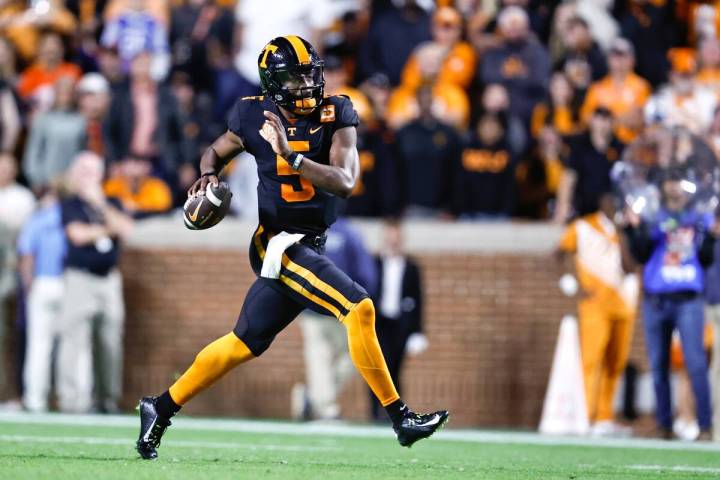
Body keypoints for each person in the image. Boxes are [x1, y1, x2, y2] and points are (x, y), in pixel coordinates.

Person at [136, 36, 448, 460]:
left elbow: (345, 181)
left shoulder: (338, 111)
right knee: (359, 308)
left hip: (308, 244)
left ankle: (160, 406)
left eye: (309, 73)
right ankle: (400, 419)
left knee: (242, 343)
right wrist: (208, 174)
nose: (305, 84)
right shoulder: (251, 113)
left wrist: (292, 156)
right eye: (294, 77)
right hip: (276, 245)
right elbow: (215, 150)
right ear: (272, 83)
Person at [625, 171, 717, 440]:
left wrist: (711, 236)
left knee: (696, 363)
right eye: (670, 182)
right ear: (663, 186)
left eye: (679, 182)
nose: (675, 188)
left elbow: (707, 258)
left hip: (688, 298)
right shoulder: (653, 216)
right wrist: (633, 229)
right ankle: (664, 424)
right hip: (656, 299)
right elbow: (641, 253)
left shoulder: (699, 216)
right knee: (658, 364)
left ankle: (705, 426)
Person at [57, 151, 133, 413]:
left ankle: (107, 400)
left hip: (109, 280)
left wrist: (100, 206)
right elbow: (76, 235)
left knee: (110, 341)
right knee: (73, 340)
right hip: (79, 278)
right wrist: (106, 229)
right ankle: (70, 400)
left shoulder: (111, 201)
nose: (87, 177)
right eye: (83, 171)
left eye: (91, 171)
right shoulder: (70, 203)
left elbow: (125, 229)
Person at [557, 193, 638, 436]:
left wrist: (623, 233)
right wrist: (570, 281)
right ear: (602, 203)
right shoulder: (583, 226)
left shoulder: (629, 228)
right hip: (595, 304)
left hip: (625, 302)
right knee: (591, 359)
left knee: (616, 362)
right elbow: (558, 253)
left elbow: (630, 266)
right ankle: (585, 415)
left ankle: (604, 417)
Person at [294, 217, 378, 421]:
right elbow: (367, 275)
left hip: (312, 306)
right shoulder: (350, 234)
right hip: (339, 308)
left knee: (319, 357)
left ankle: (315, 397)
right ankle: (327, 409)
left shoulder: (306, 229)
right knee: (354, 356)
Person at [369, 220, 427, 421]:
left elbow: (418, 300)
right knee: (378, 368)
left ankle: (393, 413)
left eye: (397, 238)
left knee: (395, 368)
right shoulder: (374, 263)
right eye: (390, 237)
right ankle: (375, 413)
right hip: (379, 323)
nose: (393, 242)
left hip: (400, 325)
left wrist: (418, 332)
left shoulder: (411, 267)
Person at [18, 187, 66, 413]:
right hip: (67, 283)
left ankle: (35, 399)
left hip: (43, 282)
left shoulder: (37, 219)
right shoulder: (68, 215)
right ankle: (70, 400)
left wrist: (29, 286)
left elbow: (27, 256)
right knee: (69, 345)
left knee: (39, 345)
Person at [395, 85, 461, 218]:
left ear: (435, 101)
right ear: (416, 102)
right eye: (422, 99)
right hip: (410, 207)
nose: (425, 103)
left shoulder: (448, 133)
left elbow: (455, 173)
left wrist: (452, 207)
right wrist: (397, 206)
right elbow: (396, 172)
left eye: (429, 98)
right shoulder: (404, 133)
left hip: (441, 209)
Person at [554, 107, 623, 223]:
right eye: (600, 119)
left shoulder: (619, 148)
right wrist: (562, 208)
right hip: (584, 211)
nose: (603, 124)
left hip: (612, 212)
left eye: (607, 120)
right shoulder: (580, 147)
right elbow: (569, 178)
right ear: (592, 121)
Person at [580, 38, 651, 145]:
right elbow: (586, 118)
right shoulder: (597, 88)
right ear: (608, 59)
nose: (618, 60)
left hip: (631, 144)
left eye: (622, 55)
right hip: (603, 145)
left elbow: (639, 120)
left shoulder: (641, 86)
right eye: (614, 55)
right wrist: (621, 118)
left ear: (632, 59)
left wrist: (606, 120)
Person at [23, 76, 86, 193]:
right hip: (46, 180)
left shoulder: (81, 120)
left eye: (69, 92)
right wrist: (35, 178)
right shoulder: (42, 119)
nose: (65, 96)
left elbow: (82, 152)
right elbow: (33, 151)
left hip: (72, 181)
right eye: (61, 92)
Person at [103, 154, 173, 218]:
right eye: (129, 162)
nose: (132, 168)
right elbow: (103, 202)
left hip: (151, 223)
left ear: (147, 167)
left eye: (137, 163)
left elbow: (162, 208)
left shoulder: (157, 186)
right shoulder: (114, 184)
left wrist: (136, 206)